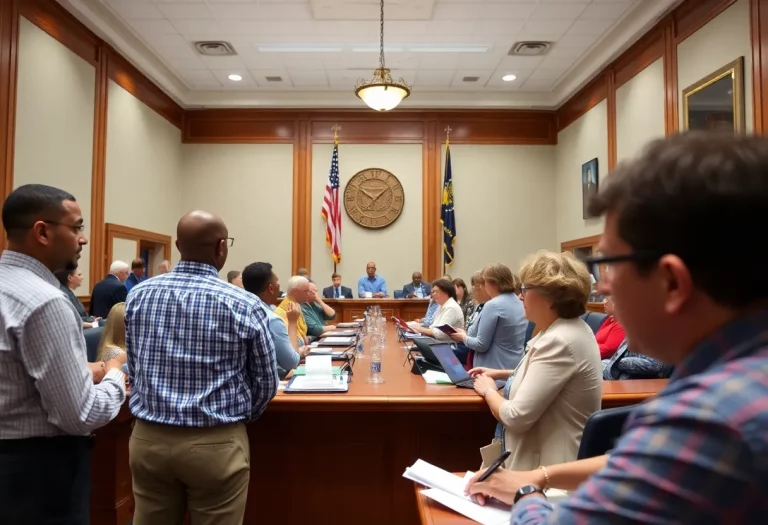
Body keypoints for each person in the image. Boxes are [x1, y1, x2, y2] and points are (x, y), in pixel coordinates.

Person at [466, 134, 768, 524]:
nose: (602, 287)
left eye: (608, 264)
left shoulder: (709, 419)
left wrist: (526, 494)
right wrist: (541, 477)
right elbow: (633, 464)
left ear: (672, 282)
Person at [126, 210, 277, 525]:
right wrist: (240, 417)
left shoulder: (138, 295)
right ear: (221, 247)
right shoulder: (244, 304)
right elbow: (266, 381)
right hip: (216, 440)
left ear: (179, 245)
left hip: (148, 439)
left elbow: (136, 365)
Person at [0, 184, 126, 525]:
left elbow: (15, 373)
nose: (83, 239)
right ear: (42, 231)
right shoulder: (46, 302)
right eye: (77, 227)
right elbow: (81, 414)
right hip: (39, 478)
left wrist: (87, 370)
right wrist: (115, 372)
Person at [468, 251, 602, 471]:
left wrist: (488, 390)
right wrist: (501, 373)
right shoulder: (560, 330)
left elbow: (516, 417)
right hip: (539, 463)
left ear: (550, 297)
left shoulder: (559, 340)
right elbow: (546, 377)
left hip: (547, 475)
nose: (520, 296)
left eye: (525, 289)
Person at [449, 263, 527, 370]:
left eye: (484, 282)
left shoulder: (493, 305)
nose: (482, 286)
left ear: (492, 283)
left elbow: (480, 345)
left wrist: (462, 337)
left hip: (492, 370)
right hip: (514, 368)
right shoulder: (519, 302)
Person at [242, 262, 307, 378]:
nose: (279, 286)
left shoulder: (240, 310)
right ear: (271, 288)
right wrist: (292, 322)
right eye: (277, 282)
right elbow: (291, 362)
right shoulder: (272, 319)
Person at [275, 275, 311, 343]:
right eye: (306, 291)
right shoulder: (282, 313)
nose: (308, 294)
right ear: (295, 292)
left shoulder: (297, 305)